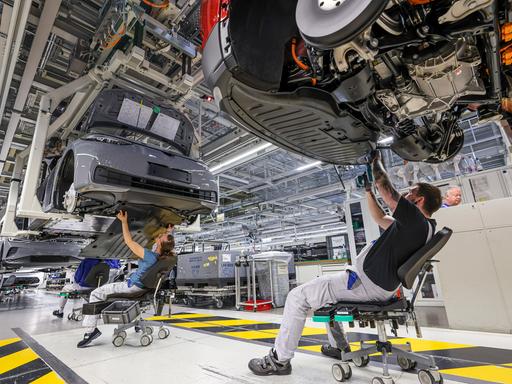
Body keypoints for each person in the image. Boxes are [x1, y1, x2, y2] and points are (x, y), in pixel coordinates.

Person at [248, 150, 442, 376]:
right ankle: (339, 347)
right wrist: (369, 191)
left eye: (411, 193)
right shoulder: (421, 229)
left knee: (296, 297)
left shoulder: (416, 221)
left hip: (365, 285)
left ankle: (278, 361)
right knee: (323, 292)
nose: (406, 195)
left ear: (419, 200)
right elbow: (379, 218)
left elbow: (386, 189)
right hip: (377, 286)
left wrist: (374, 162)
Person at [77, 210, 175, 348]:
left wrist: (124, 222)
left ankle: (90, 331)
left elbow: (129, 241)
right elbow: (165, 244)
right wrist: (169, 232)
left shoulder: (149, 256)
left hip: (131, 287)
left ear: (160, 244)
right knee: (104, 292)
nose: (160, 235)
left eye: (162, 236)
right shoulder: (164, 257)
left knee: (95, 293)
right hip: (143, 288)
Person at [52, 258, 121, 318]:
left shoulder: (87, 261)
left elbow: (77, 278)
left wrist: (76, 285)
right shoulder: (110, 263)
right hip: (100, 287)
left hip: (84, 287)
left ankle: (60, 311)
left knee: (65, 289)